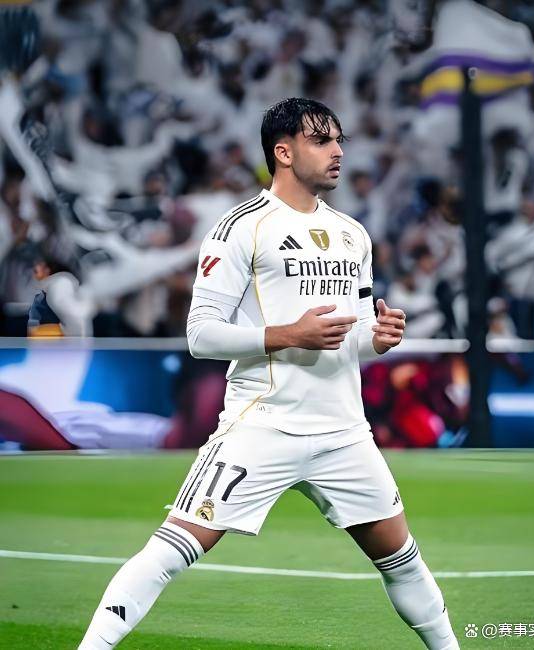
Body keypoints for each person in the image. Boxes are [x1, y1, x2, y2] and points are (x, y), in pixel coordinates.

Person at [79, 98, 459, 650]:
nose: (338, 151)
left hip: (343, 433)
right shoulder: (241, 228)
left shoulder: (353, 234)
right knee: (170, 551)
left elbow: (351, 334)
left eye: (339, 140)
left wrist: (375, 338)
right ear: (283, 151)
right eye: (322, 140)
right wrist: (287, 335)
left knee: (403, 561)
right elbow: (200, 335)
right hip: (263, 425)